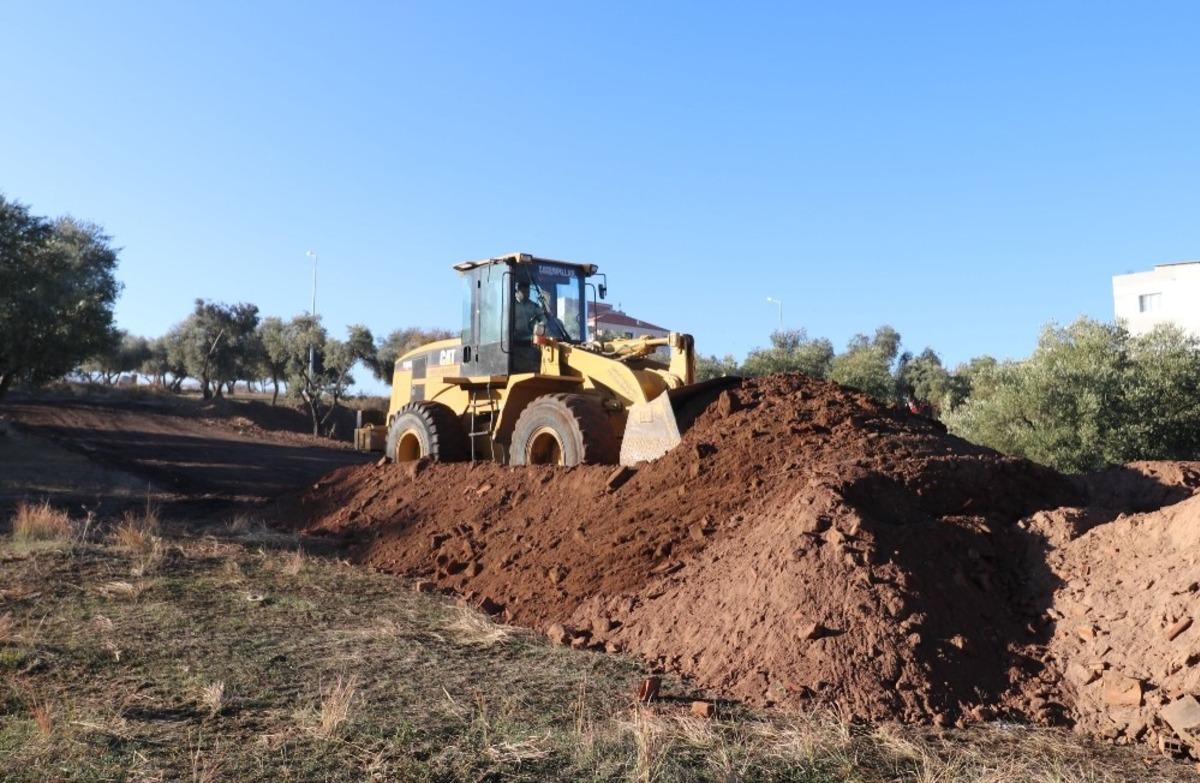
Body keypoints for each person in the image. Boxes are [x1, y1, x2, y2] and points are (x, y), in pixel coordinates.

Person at [512, 279, 545, 372]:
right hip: (514, 342)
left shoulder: (533, 306)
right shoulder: (511, 305)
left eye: (528, 292)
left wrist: (541, 324)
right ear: (518, 291)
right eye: (524, 292)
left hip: (528, 341)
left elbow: (543, 318)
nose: (527, 294)